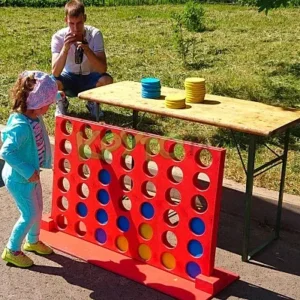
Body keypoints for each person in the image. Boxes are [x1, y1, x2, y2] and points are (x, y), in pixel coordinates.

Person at [0, 71, 57, 268]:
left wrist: (57, 96)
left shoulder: (31, 114)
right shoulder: (21, 127)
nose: (50, 106)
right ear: (38, 104)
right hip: (19, 178)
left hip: (30, 176)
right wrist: (27, 171)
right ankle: (12, 249)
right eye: (49, 102)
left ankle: (32, 242)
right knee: (30, 214)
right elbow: (6, 151)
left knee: (38, 209)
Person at [51, 0, 113, 119]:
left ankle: (93, 101)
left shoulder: (95, 34)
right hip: (68, 76)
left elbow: (102, 68)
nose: (75, 28)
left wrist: (86, 48)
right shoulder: (58, 37)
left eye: (79, 23)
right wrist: (65, 49)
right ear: (66, 20)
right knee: (51, 82)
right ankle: (62, 101)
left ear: (85, 18)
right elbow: (55, 72)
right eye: (71, 23)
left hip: (90, 76)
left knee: (107, 80)